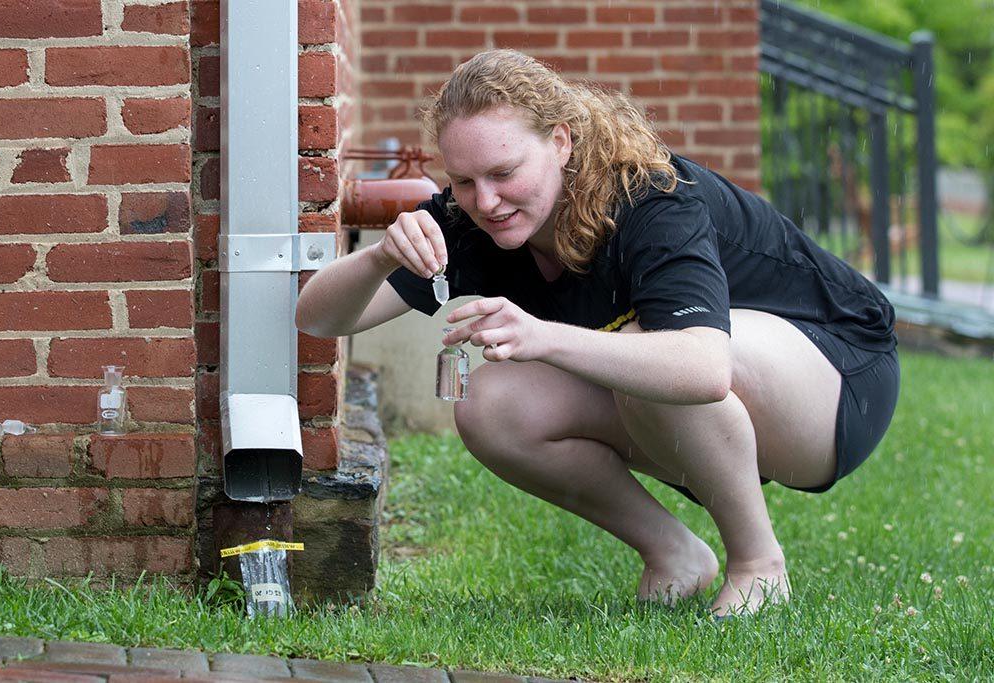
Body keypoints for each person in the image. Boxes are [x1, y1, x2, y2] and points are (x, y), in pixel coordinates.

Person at [295, 49, 901, 619]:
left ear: (560, 142)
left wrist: (544, 338)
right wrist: (379, 259)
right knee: (490, 405)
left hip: (836, 380)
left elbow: (703, 369)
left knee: (648, 351)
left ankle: (759, 565)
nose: (487, 201)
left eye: (505, 172)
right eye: (463, 181)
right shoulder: (473, 217)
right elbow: (317, 318)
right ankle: (675, 553)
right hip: (714, 399)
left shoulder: (651, 198)